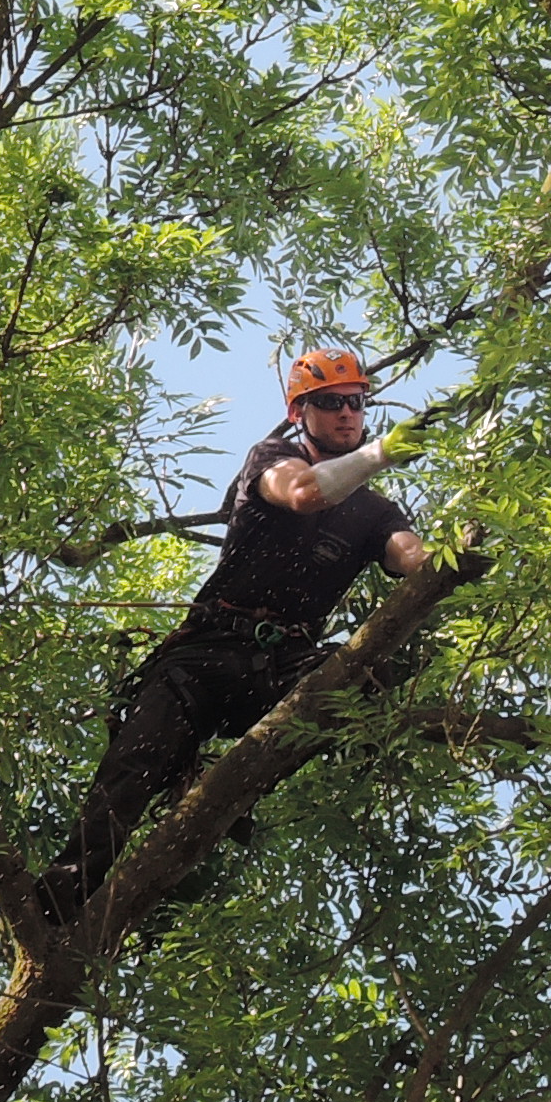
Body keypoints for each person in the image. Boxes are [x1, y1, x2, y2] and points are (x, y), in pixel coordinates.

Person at [60, 349, 429, 907]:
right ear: (300, 412)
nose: (347, 414)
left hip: (284, 668)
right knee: (132, 766)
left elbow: (414, 560)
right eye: (330, 403)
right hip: (208, 654)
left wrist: (466, 557)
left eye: (355, 402)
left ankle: (222, 812)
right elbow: (304, 494)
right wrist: (381, 453)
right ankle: (66, 895)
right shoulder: (272, 457)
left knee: (367, 678)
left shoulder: (377, 510)